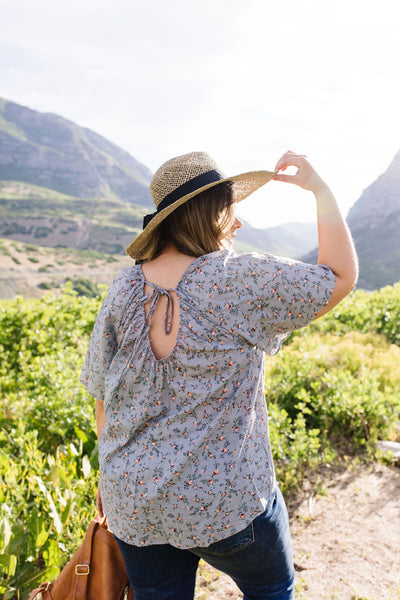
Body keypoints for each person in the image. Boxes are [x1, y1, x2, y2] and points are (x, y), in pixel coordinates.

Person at [80, 150, 358, 600]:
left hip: (133, 500)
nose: (239, 223)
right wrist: (320, 191)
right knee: (273, 587)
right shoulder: (238, 278)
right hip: (226, 502)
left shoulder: (122, 289)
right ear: (209, 212)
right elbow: (341, 276)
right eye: (232, 208)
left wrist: (111, 482)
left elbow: (101, 400)